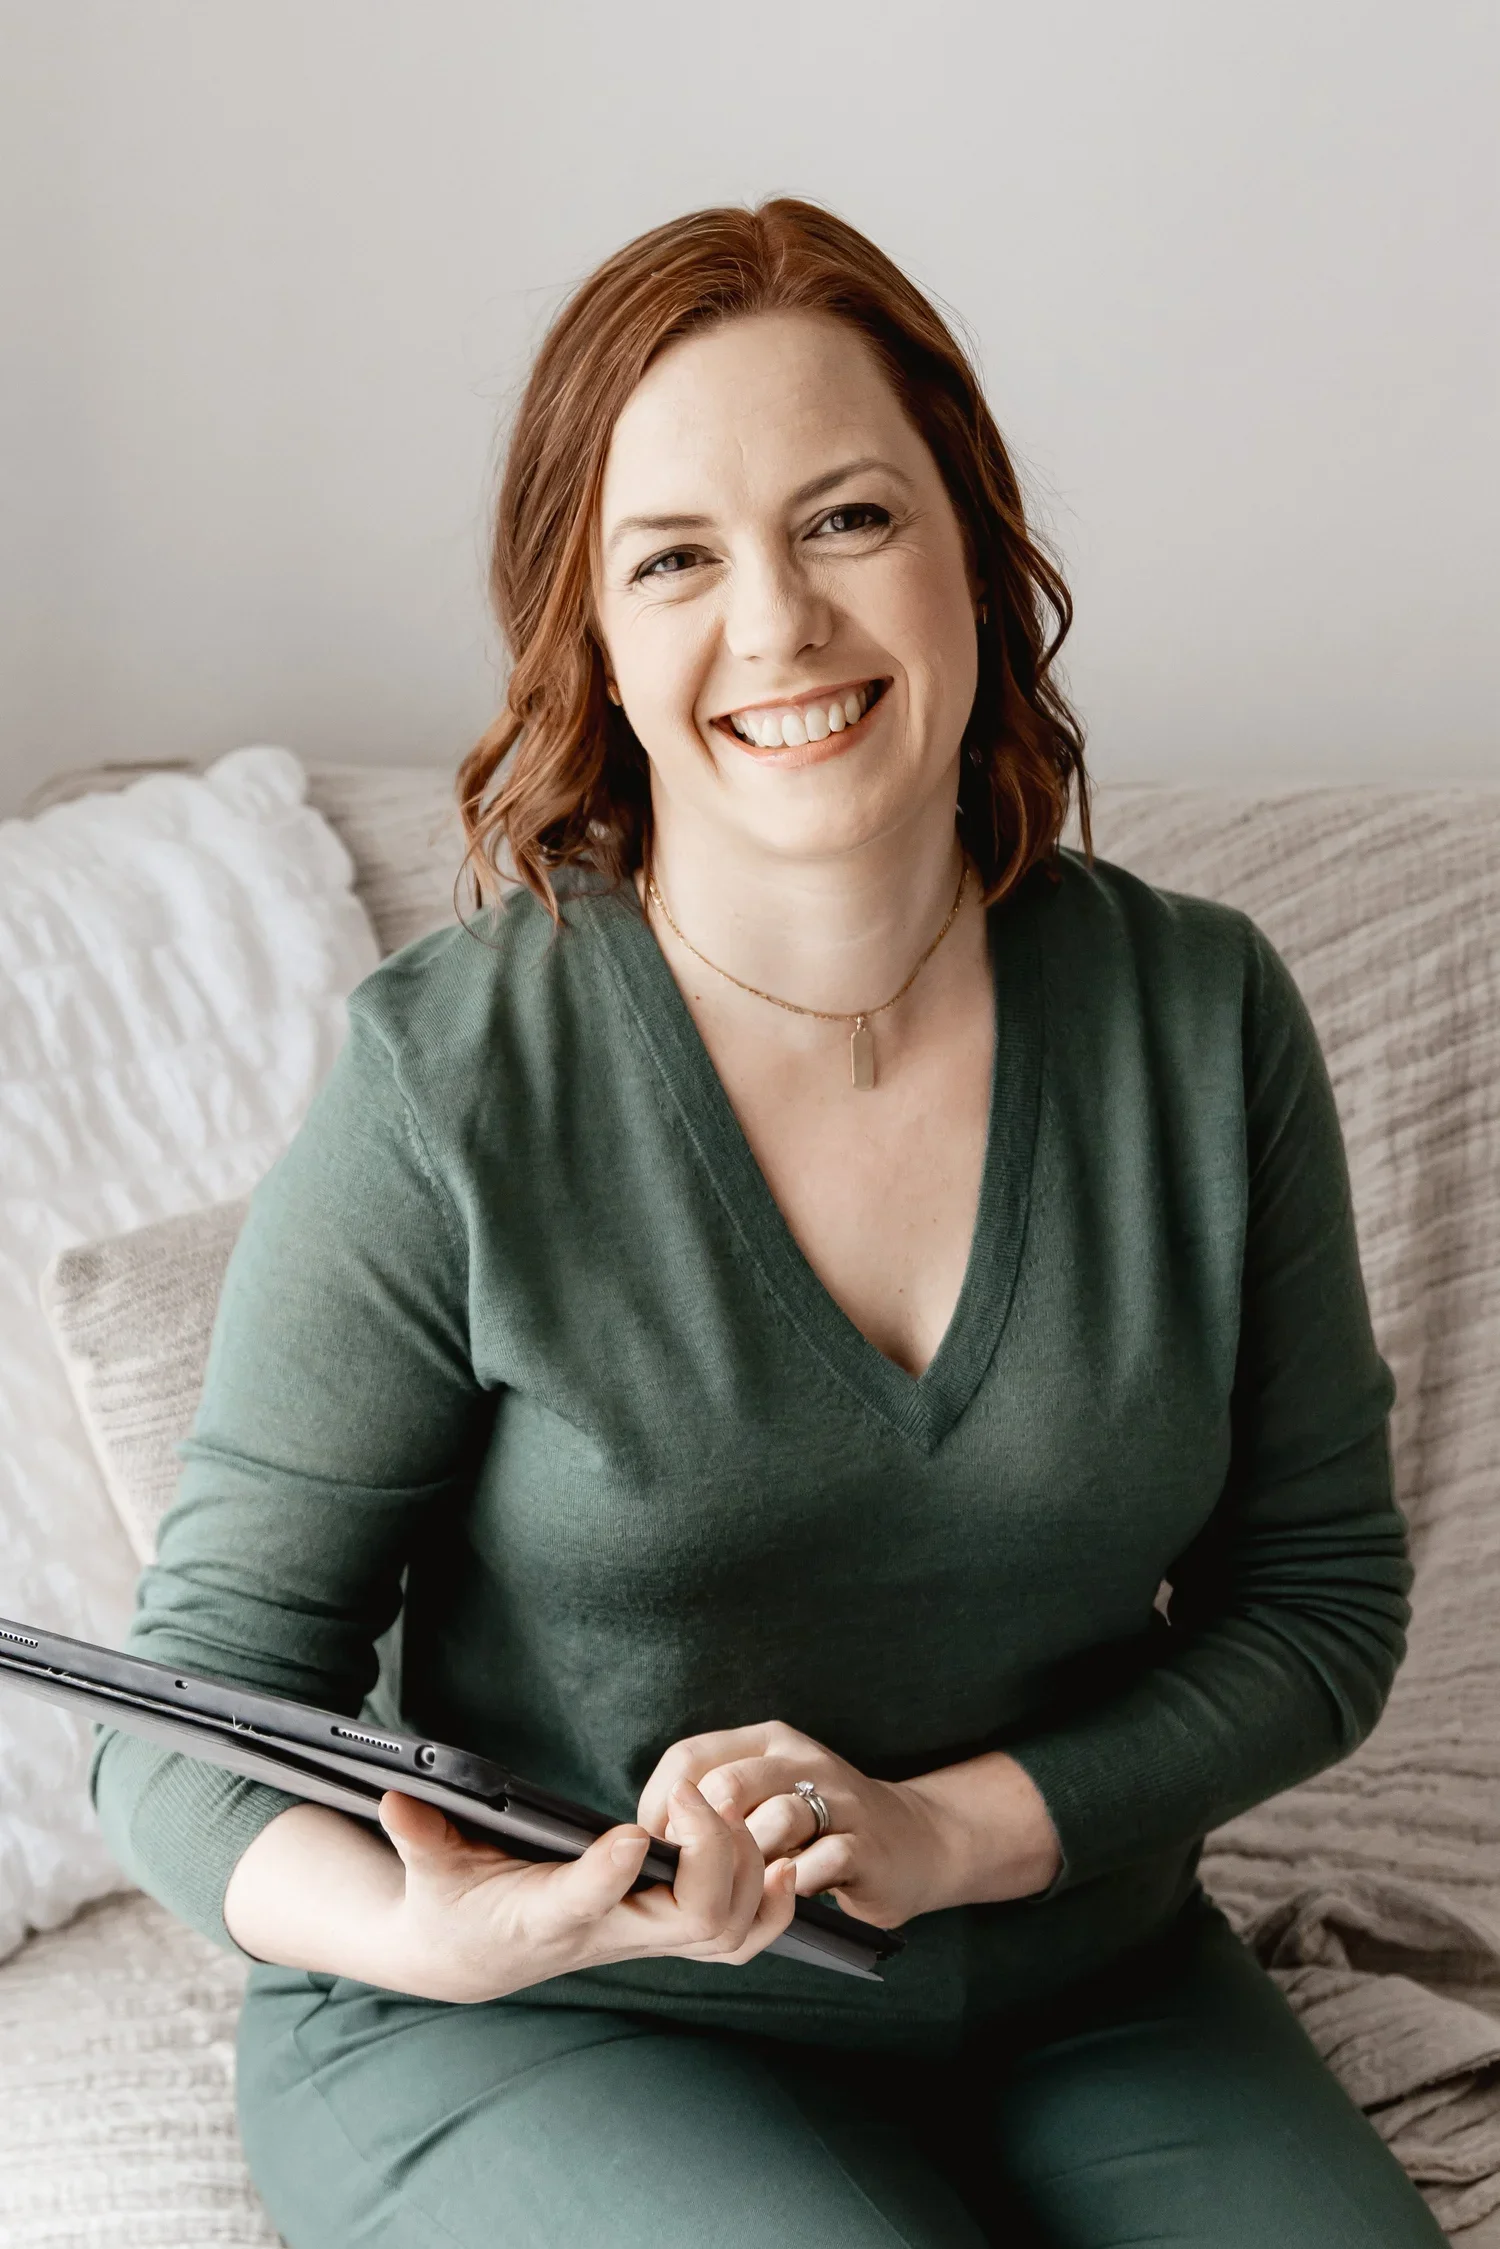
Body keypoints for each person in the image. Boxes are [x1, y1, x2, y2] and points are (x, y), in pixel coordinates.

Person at [89, 196, 1446, 2248]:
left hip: (1080, 1980)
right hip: (555, 2021)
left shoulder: (1202, 1015)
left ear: (974, 546)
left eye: (847, 521)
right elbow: (183, 1724)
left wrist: (950, 1831)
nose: (782, 625)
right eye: (676, 559)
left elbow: (1322, 1601)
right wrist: (465, 1931)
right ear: (598, 645)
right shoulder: (449, 1080)